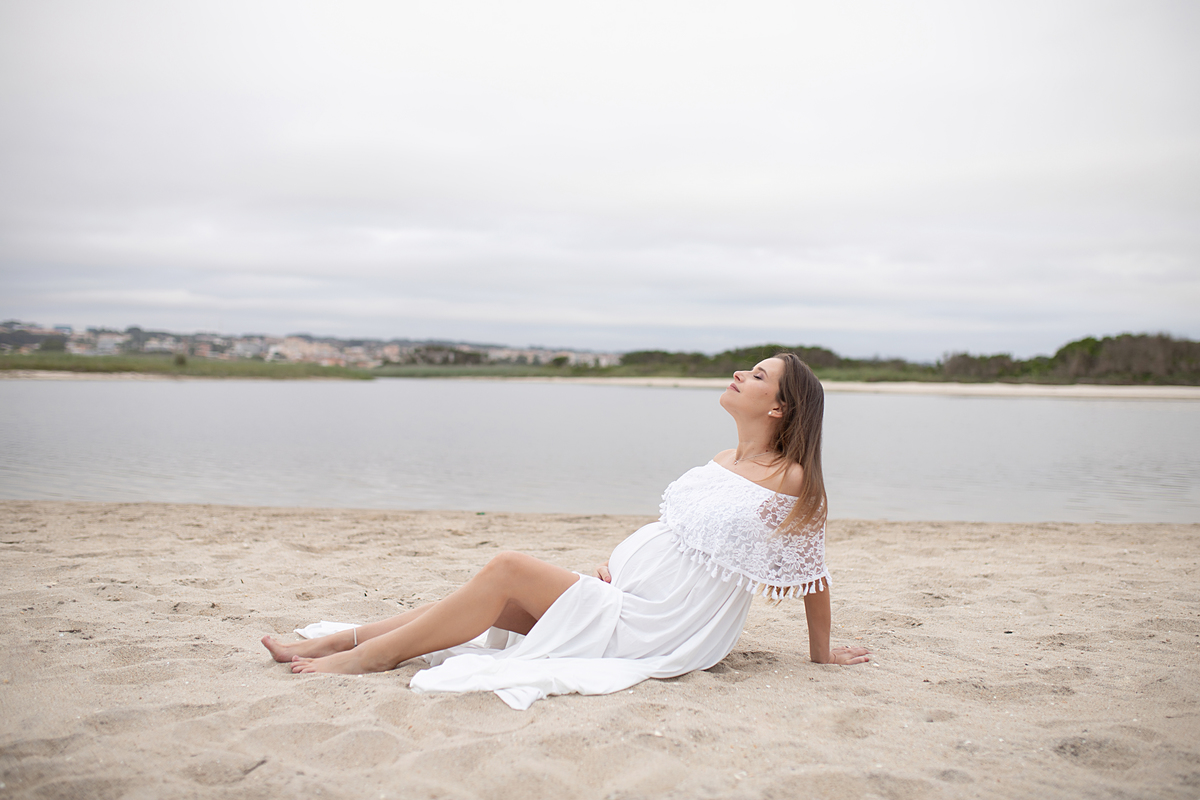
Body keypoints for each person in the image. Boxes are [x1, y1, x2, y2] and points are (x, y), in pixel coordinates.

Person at [262, 353, 870, 708]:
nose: (740, 372)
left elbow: (810, 572)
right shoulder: (724, 458)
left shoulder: (789, 478)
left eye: (758, 374)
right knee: (492, 603)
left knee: (506, 568)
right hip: (630, 598)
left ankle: (366, 658)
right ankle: (342, 641)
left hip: (659, 627)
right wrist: (620, 570)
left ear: (779, 408)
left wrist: (820, 655)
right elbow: (681, 540)